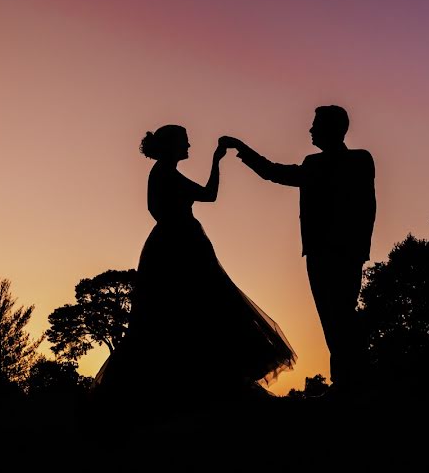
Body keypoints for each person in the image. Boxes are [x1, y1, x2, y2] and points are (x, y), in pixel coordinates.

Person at [89, 124, 296, 425]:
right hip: (180, 248)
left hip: (175, 245)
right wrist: (217, 159)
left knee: (189, 314)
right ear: (171, 145)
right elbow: (209, 195)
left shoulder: (163, 173)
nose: (188, 146)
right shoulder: (164, 174)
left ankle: (192, 393)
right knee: (198, 310)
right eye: (184, 142)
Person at [221, 105, 376, 399]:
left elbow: (367, 207)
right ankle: (347, 381)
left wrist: (359, 247)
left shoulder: (357, 160)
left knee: (341, 315)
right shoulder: (316, 163)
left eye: (316, 125)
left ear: (333, 128)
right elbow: (273, 173)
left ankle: (353, 382)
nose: (311, 130)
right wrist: (243, 150)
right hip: (318, 251)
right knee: (332, 318)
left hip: (342, 251)